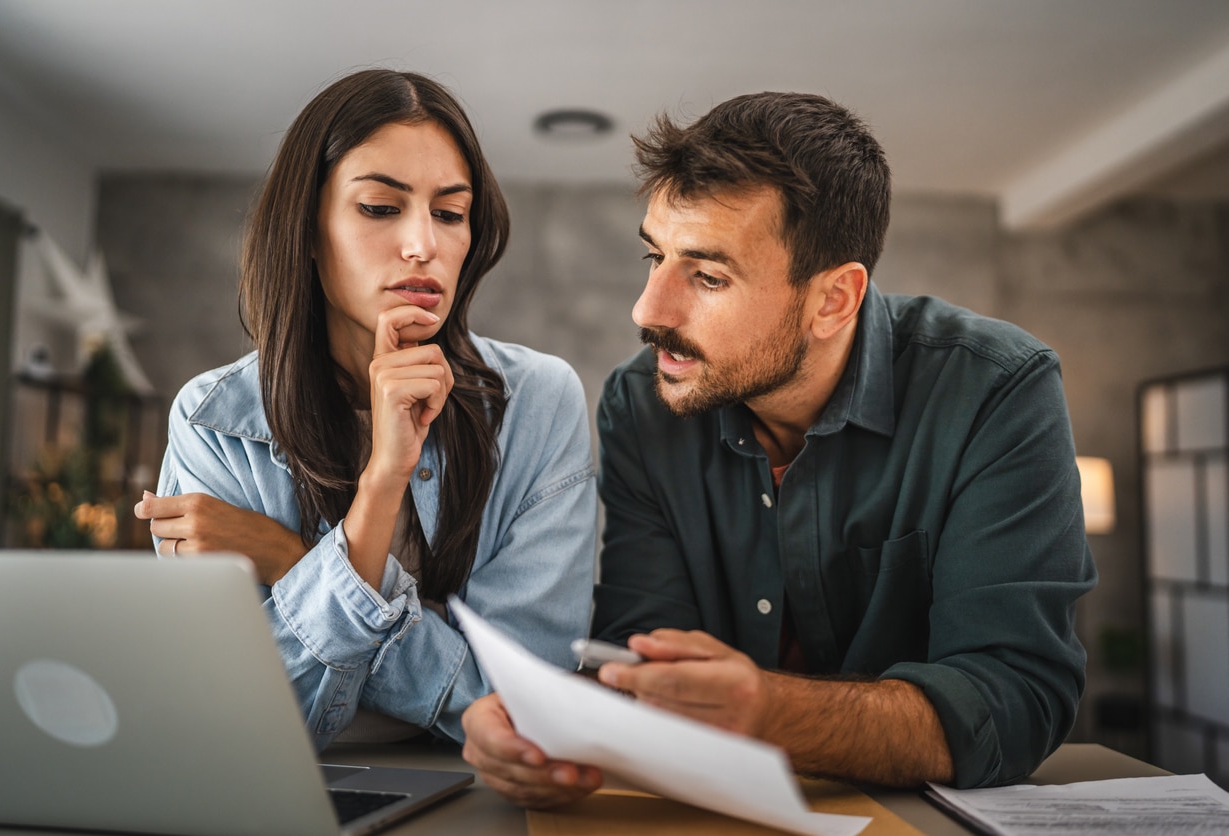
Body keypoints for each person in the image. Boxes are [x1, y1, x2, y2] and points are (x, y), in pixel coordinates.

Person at [460, 91, 1097, 805]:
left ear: (833, 299)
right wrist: (539, 727)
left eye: (707, 276)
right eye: (655, 257)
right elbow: (641, 646)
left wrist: (772, 714)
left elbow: (1015, 700)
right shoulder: (644, 404)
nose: (648, 311)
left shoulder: (997, 390)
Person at [134, 69, 596, 747]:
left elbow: (524, 704)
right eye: (381, 208)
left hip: (484, 793)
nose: (424, 245)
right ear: (309, 230)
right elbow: (246, 725)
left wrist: (294, 562)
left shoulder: (537, 401)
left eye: (449, 213)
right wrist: (381, 486)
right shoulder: (214, 422)